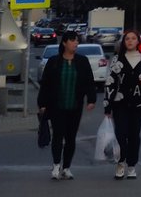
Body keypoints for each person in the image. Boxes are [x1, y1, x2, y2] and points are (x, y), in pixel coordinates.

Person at [37, 30, 97, 180]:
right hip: (57, 105)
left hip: (74, 105)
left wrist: (91, 99)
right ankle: (56, 165)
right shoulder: (54, 62)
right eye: (72, 40)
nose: (75, 43)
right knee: (58, 135)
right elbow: (46, 84)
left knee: (71, 138)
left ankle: (67, 167)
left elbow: (89, 81)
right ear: (64, 43)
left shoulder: (82, 61)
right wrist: (42, 103)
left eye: (77, 40)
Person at [104, 29, 141, 180]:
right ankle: (120, 162)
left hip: (138, 103)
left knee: (134, 135)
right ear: (123, 42)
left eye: (133, 38)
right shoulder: (117, 60)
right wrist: (107, 105)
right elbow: (110, 82)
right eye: (127, 39)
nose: (130, 41)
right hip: (119, 103)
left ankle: (132, 165)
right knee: (121, 134)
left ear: (138, 41)